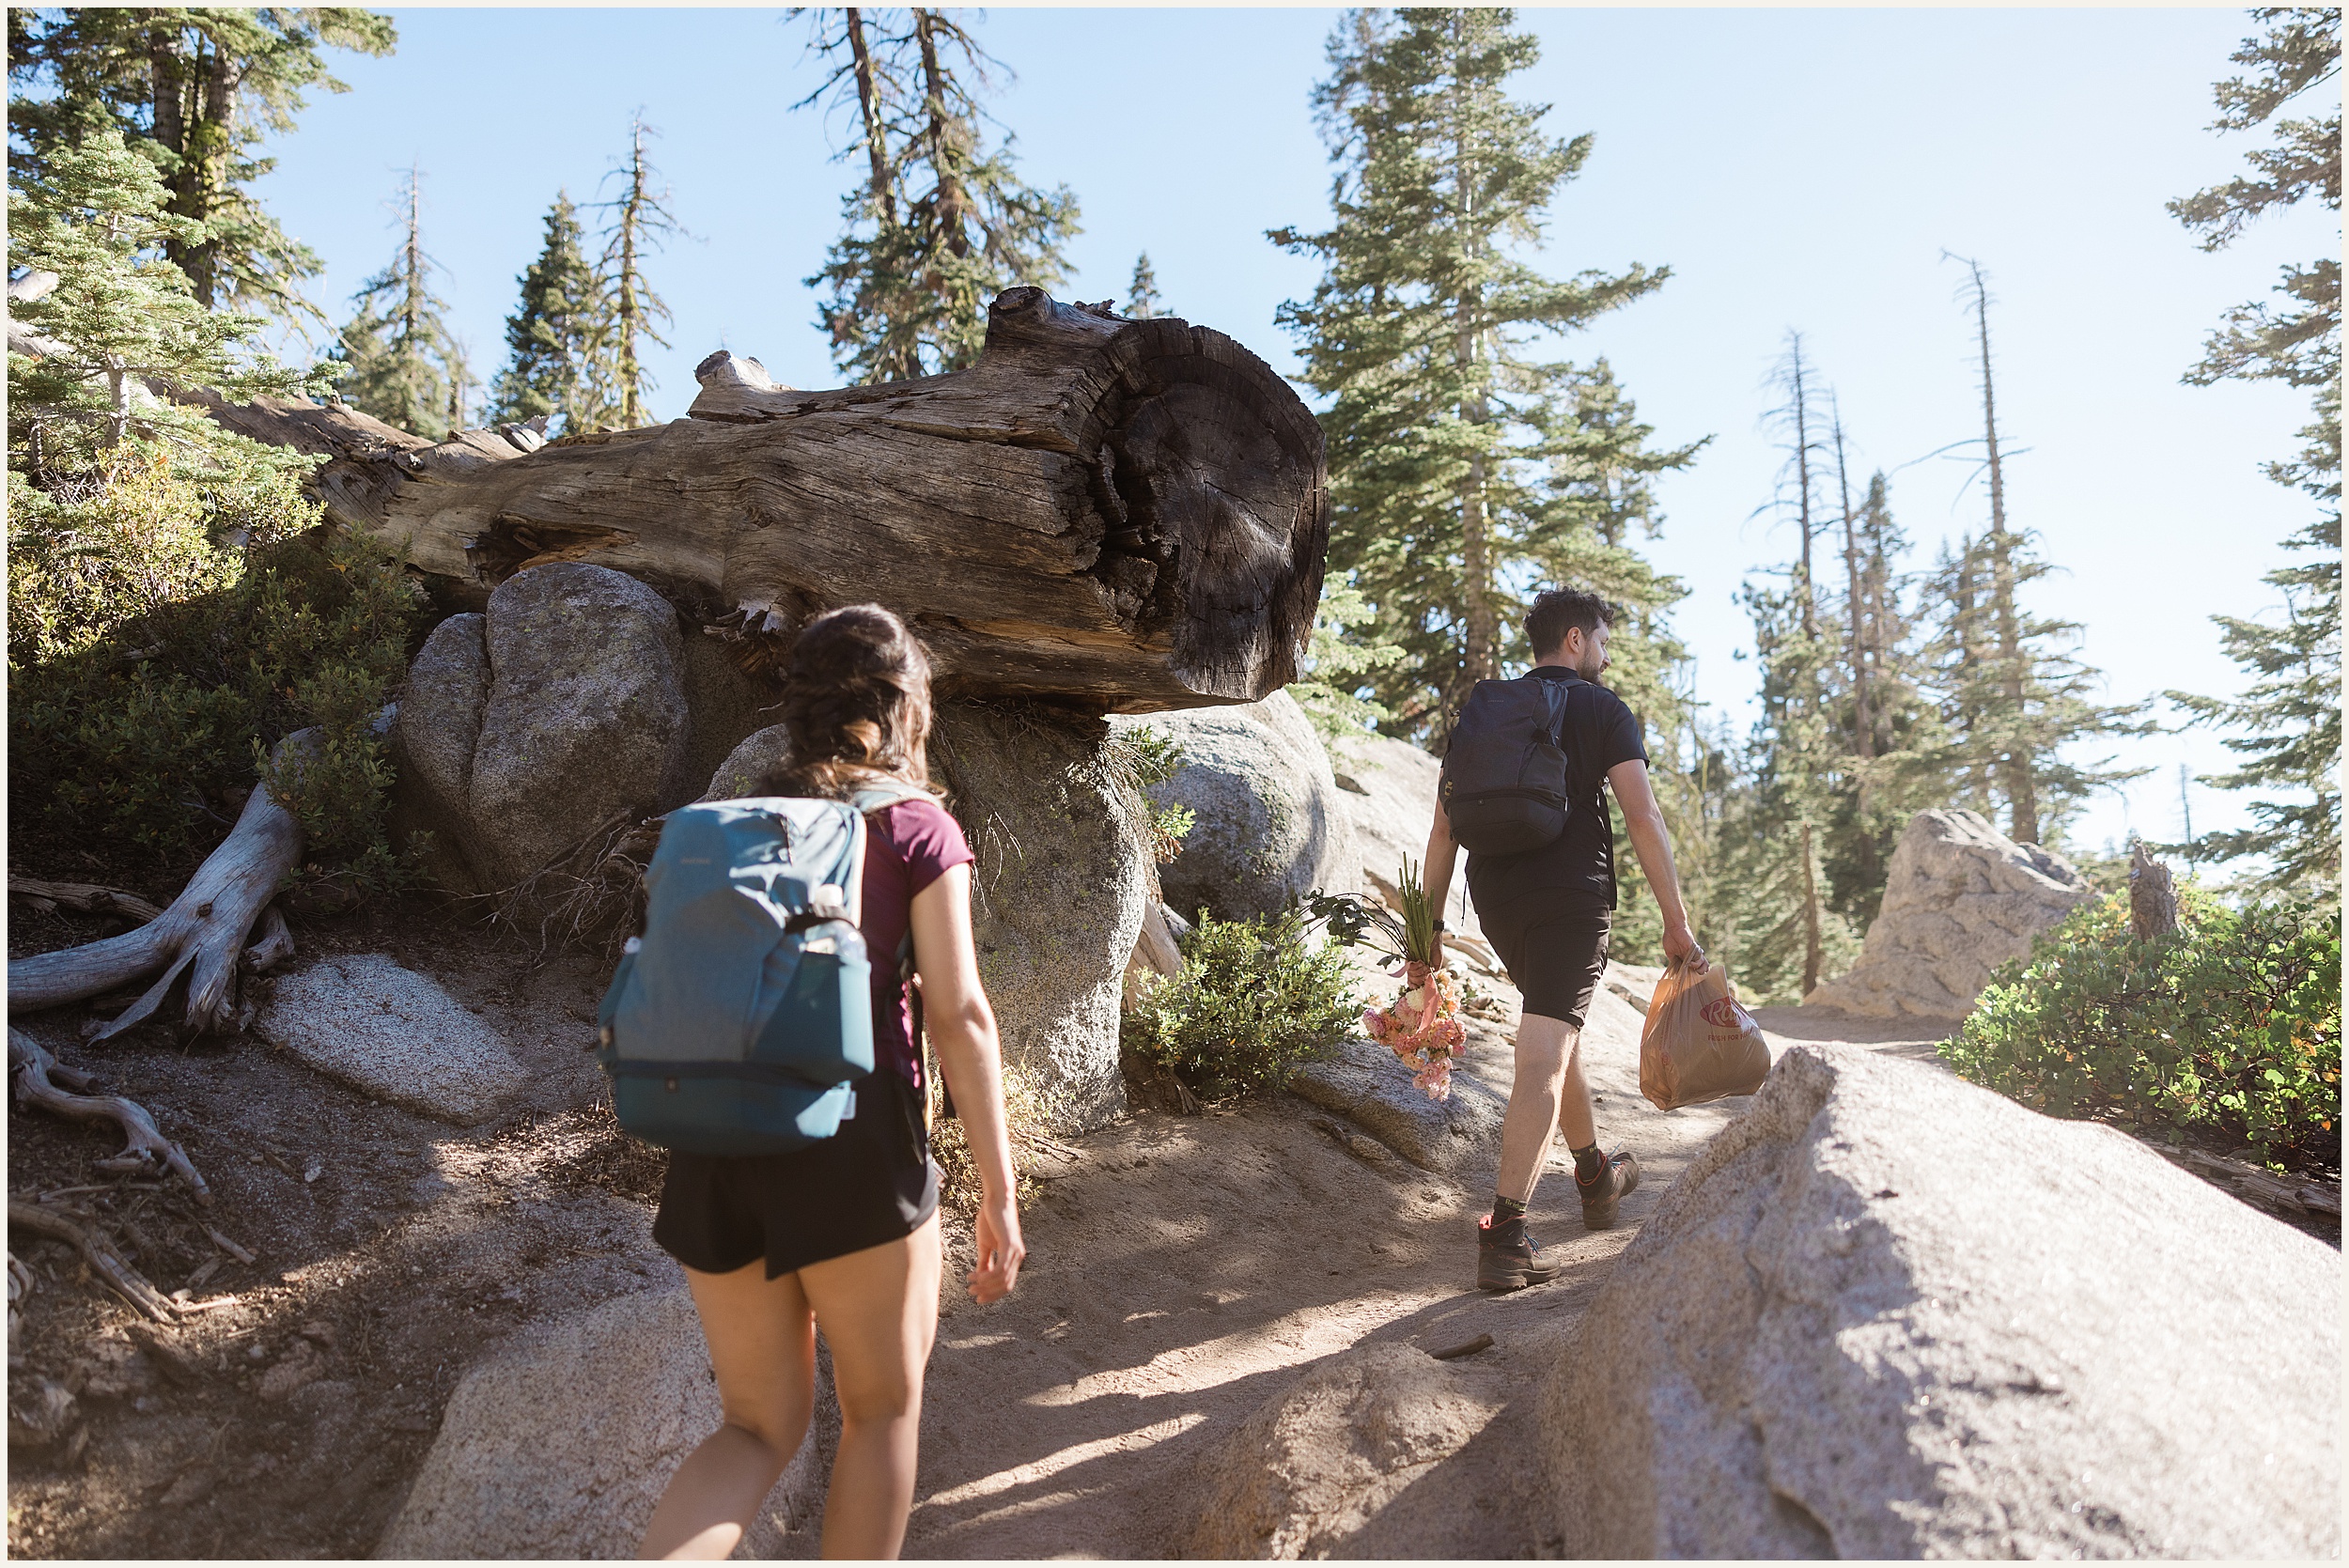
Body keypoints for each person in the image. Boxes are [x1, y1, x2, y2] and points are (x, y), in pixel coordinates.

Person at [639, 604, 1025, 1560]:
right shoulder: (915, 826)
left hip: (712, 1141)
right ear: (908, 709)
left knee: (753, 1428)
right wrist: (1000, 1193)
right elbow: (959, 1014)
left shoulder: (726, 822)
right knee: (882, 1411)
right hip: (853, 1149)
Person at [1421, 587, 1705, 1293]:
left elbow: (1443, 828)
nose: (1606, 657)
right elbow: (1642, 814)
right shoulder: (1601, 708)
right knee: (1544, 1053)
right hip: (1572, 901)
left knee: (1554, 1028)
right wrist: (1676, 920)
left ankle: (1594, 1175)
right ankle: (1508, 1234)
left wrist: (1424, 929)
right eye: (1603, 642)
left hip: (1499, 902)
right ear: (1575, 640)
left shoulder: (1488, 712)